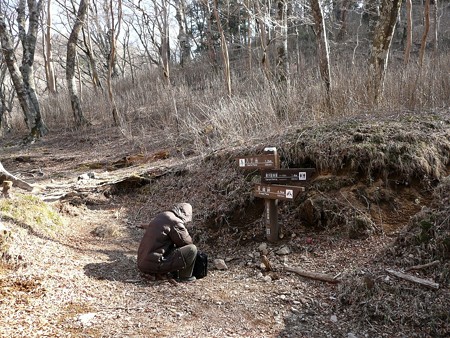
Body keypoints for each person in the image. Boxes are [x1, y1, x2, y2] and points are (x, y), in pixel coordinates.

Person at [137, 203, 198, 282]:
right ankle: (185, 277)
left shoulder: (162, 216)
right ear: (184, 214)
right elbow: (187, 243)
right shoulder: (175, 222)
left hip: (142, 262)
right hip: (154, 264)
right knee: (192, 249)